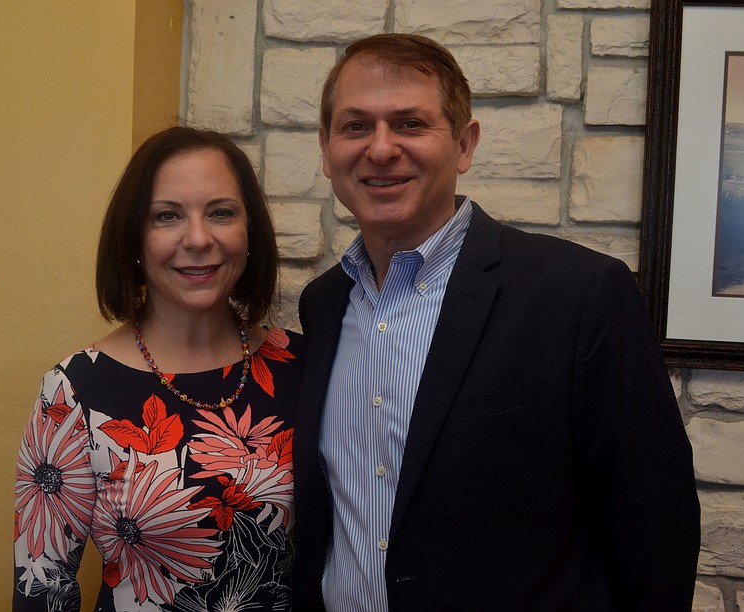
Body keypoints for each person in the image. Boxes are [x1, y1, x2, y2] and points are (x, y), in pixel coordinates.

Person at [292, 34, 700, 611]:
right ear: (327, 148)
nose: (381, 149)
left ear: (464, 145)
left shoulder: (577, 294)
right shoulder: (325, 304)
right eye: (355, 126)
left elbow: (655, 520)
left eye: (410, 123)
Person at [13, 126, 304, 611]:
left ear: (249, 230)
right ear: (134, 239)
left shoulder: (303, 365)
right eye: (167, 216)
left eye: (221, 213)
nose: (198, 238)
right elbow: (41, 591)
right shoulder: (73, 392)